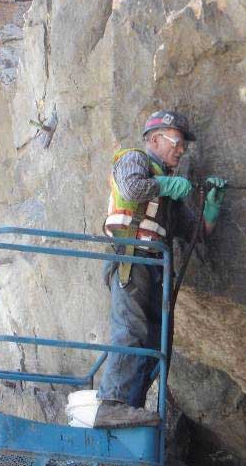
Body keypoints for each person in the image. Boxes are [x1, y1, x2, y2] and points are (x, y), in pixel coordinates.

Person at [94, 110, 226, 427]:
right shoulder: (133, 160)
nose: (181, 151)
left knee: (155, 341)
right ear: (155, 139)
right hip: (132, 258)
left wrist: (211, 207)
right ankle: (110, 403)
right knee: (132, 330)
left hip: (155, 268)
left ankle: (129, 409)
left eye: (183, 146)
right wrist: (166, 184)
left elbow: (196, 235)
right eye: (177, 142)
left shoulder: (170, 198)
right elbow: (131, 188)